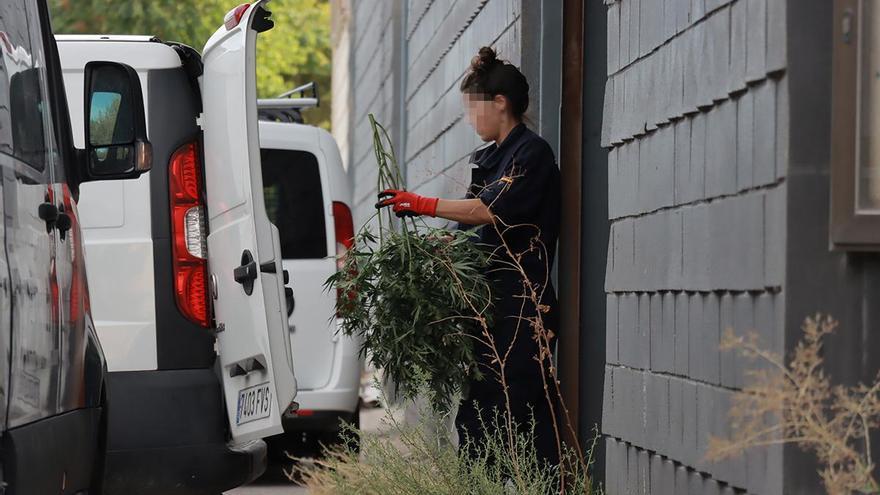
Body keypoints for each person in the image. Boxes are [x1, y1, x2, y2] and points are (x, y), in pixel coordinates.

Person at [376, 46, 561, 465]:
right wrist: (434, 251)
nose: (470, 119)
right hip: (488, 307)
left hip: (522, 308)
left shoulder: (531, 154)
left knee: (519, 415)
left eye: (474, 108)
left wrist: (421, 204)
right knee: (479, 416)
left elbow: (487, 211)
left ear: (500, 103)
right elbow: (468, 229)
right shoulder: (487, 158)